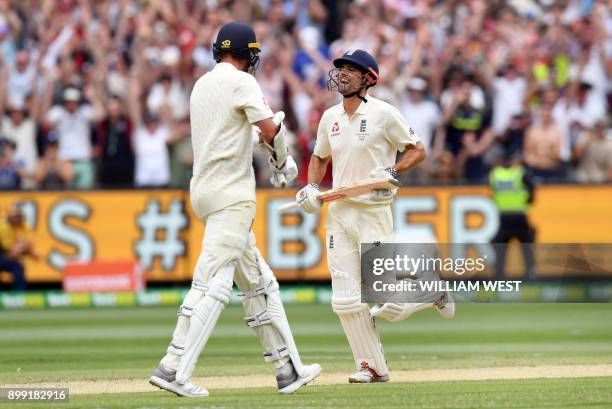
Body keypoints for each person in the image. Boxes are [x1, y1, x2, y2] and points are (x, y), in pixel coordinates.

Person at [149, 22, 320, 398]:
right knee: (212, 282)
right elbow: (270, 129)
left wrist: (270, 147)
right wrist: (283, 163)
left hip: (205, 190)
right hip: (232, 194)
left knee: (259, 282)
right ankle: (173, 367)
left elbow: (239, 132)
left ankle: (287, 368)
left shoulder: (202, 84)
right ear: (248, 55)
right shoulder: (243, 82)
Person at [296, 49, 454, 384]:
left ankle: (431, 291)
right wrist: (311, 188)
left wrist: (393, 170)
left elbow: (418, 149)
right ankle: (372, 366)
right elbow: (319, 156)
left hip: (373, 211)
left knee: (389, 304)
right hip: (339, 212)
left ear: (369, 78)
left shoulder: (384, 113)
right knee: (344, 301)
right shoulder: (330, 117)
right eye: (340, 69)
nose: (342, 75)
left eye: (351, 70)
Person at [489, 154, 536, 279]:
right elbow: (531, 191)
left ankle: (498, 276)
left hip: (502, 216)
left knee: (501, 250)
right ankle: (530, 274)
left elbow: (492, 192)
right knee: (526, 247)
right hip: (519, 215)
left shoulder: (495, 174)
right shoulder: (520, 172)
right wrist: (527, 202)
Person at [0, 202, 38, 291]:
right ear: (9, 216)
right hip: (3, 254)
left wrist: (22, 246)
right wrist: (22, 246)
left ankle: (19, 295)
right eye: (15, 216)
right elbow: (11, 252)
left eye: (19, 216)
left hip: (7, 256)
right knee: (16, 263)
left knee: (17, 267)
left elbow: (28, 245)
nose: (18, 219)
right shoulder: (3, 226)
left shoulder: (24, 225)